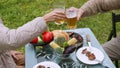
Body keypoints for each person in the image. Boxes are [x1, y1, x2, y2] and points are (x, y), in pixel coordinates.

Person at [0, 9, 65, 68]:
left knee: (32, 59)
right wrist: (44, 19)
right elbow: (11, 39)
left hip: (5, 55)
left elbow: (4, 38)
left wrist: (6, 48)